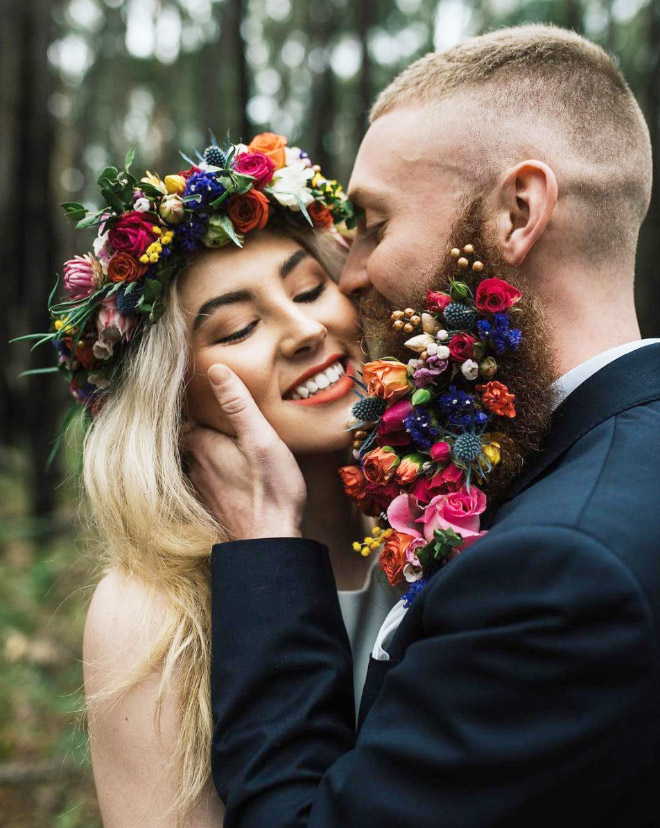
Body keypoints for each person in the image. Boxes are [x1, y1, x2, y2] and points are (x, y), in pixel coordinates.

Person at [185, 25, 660, 827]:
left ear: (518, 211)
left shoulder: (561, 569)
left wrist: (266, 556)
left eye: (373, 222)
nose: (356, 271)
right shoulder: (563, 471)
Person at [34, 139, 398, 827]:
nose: (302, 330)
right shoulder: (151, 610)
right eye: (236, 329)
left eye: (310, 289)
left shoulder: (452, 520)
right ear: (173, 403)